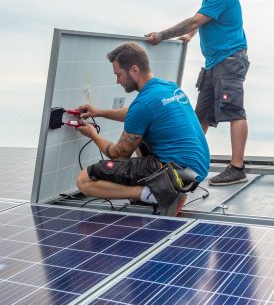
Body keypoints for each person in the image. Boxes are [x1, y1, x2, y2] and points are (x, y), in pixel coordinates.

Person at [74, 42, 210, 216]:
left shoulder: (143, 104)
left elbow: (118, 154)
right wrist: (99, 112)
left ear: (134, 70)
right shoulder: (169, 87)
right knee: (141, 134)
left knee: (85, 180)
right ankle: (164, 187)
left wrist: (93, 135)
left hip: (175, 173)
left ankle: (154, 194)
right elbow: (136, 114)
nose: (117, 81)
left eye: (119, 75)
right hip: (197, 168)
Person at [145, 0, 250, 186]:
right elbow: (200, 20)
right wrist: (190, 36)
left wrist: (162, 35)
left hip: (230, 60)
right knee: (200, 115)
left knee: (234, 111)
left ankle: (237, 168)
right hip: (214, 63)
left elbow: (195, 20)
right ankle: (189, 162)